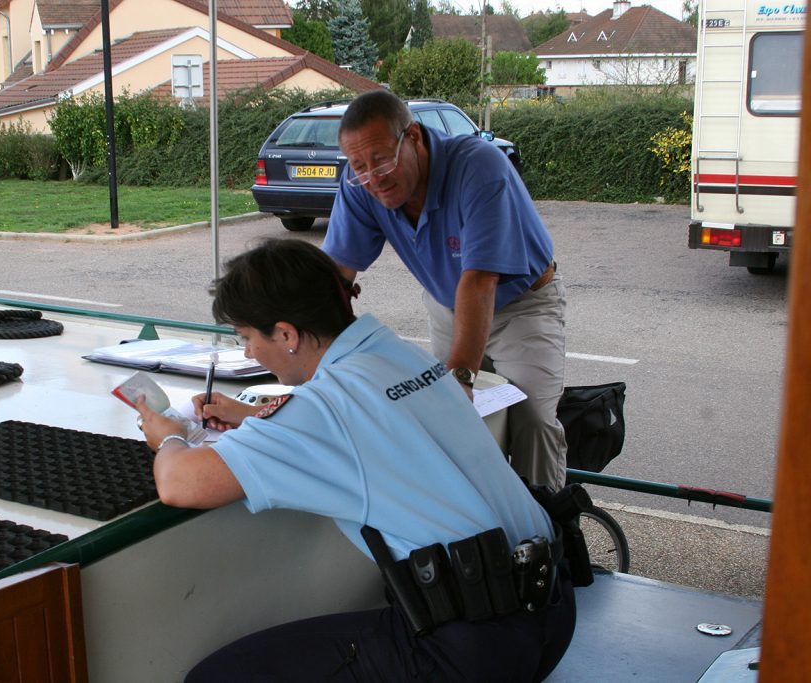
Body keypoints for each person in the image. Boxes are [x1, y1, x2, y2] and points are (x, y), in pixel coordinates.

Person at [135, 239, 575, 681]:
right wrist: (253, 416)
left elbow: (181, 484)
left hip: (468, 652)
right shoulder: (402, 356)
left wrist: (169, 437)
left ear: (286, 334)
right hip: (550, 611)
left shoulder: (319, 410)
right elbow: (381, 428)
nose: (248, 352)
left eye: (247, 337)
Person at [321, 89, 567, 492]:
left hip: (522, 305)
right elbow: (335, 274)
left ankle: (551, 536)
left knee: (531, 420)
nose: (373, 178)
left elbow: (481, 280)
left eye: (381, 159)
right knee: (445, 422)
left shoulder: (479, 166)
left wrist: (462, 378)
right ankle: (478, 532)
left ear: (414, 137)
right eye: (359, 166)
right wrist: (313, 351)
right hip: (448, 305)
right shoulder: (360, 184)